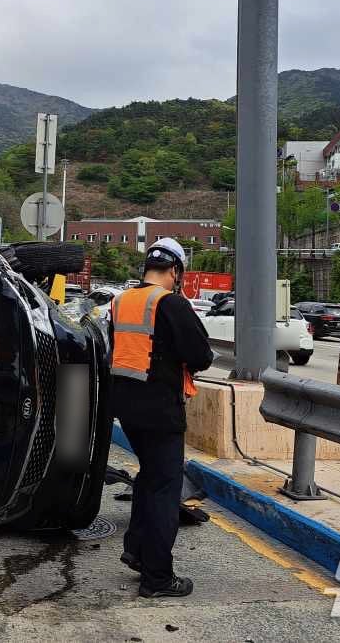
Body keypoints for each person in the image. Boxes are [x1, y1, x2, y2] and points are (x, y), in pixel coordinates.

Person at [110, 237, 213, 598]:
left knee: (150, 480)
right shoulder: (170, 303)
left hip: (128, 410)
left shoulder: (120, 301)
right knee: (164, 491)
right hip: (162, 411)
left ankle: (136, 551)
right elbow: (201, 355)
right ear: (175, 271)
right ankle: (157, 578)